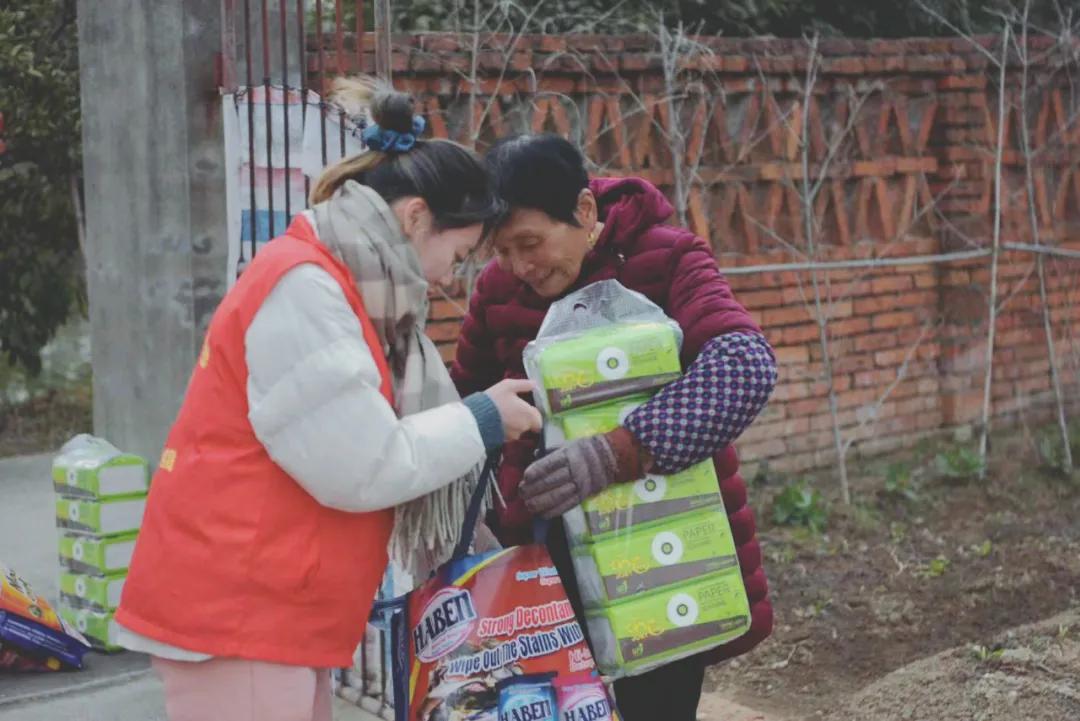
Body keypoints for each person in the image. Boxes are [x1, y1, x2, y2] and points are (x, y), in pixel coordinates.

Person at [114, 78, 542, 721]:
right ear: (415, 217)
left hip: (272, 609)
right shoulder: (308, 290)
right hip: (240, 610)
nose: (450, 278)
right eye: (456, 254)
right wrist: (482, 419)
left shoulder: (338, 282)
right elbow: (364, 464)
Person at [451, 134, 778, 721]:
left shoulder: (670, 259)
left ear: (583, 211)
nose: (520, 267)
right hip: (541, 568)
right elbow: (464, 399)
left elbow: (744, 367)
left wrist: (615, 454)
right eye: (501, 251)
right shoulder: (498, 292)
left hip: (661, 554)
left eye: (531, 243)